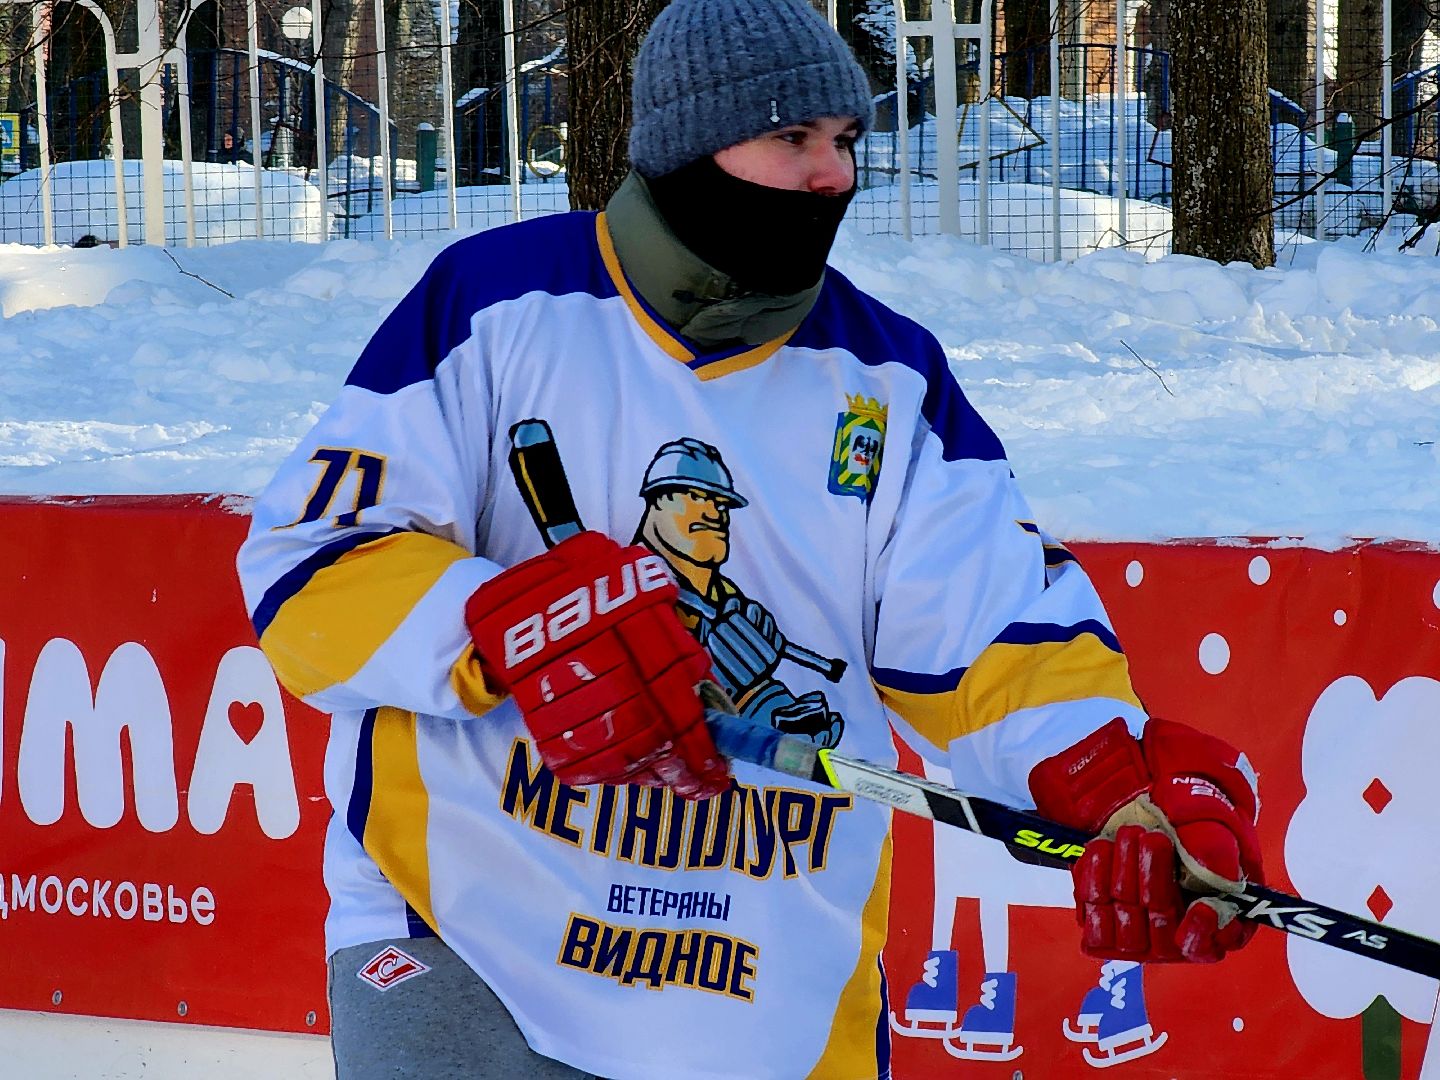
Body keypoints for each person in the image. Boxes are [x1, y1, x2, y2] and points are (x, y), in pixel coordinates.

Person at [236, 0, 1263, 1076]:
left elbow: (993, 628)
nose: (833, 176)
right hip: (468, 928)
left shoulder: (887, 380)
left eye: (847, 141)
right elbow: (306, 566)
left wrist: (1115, 788)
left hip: (763, 980)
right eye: (792, 139)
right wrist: (497, 626)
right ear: (689, 147)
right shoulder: (498, 307)